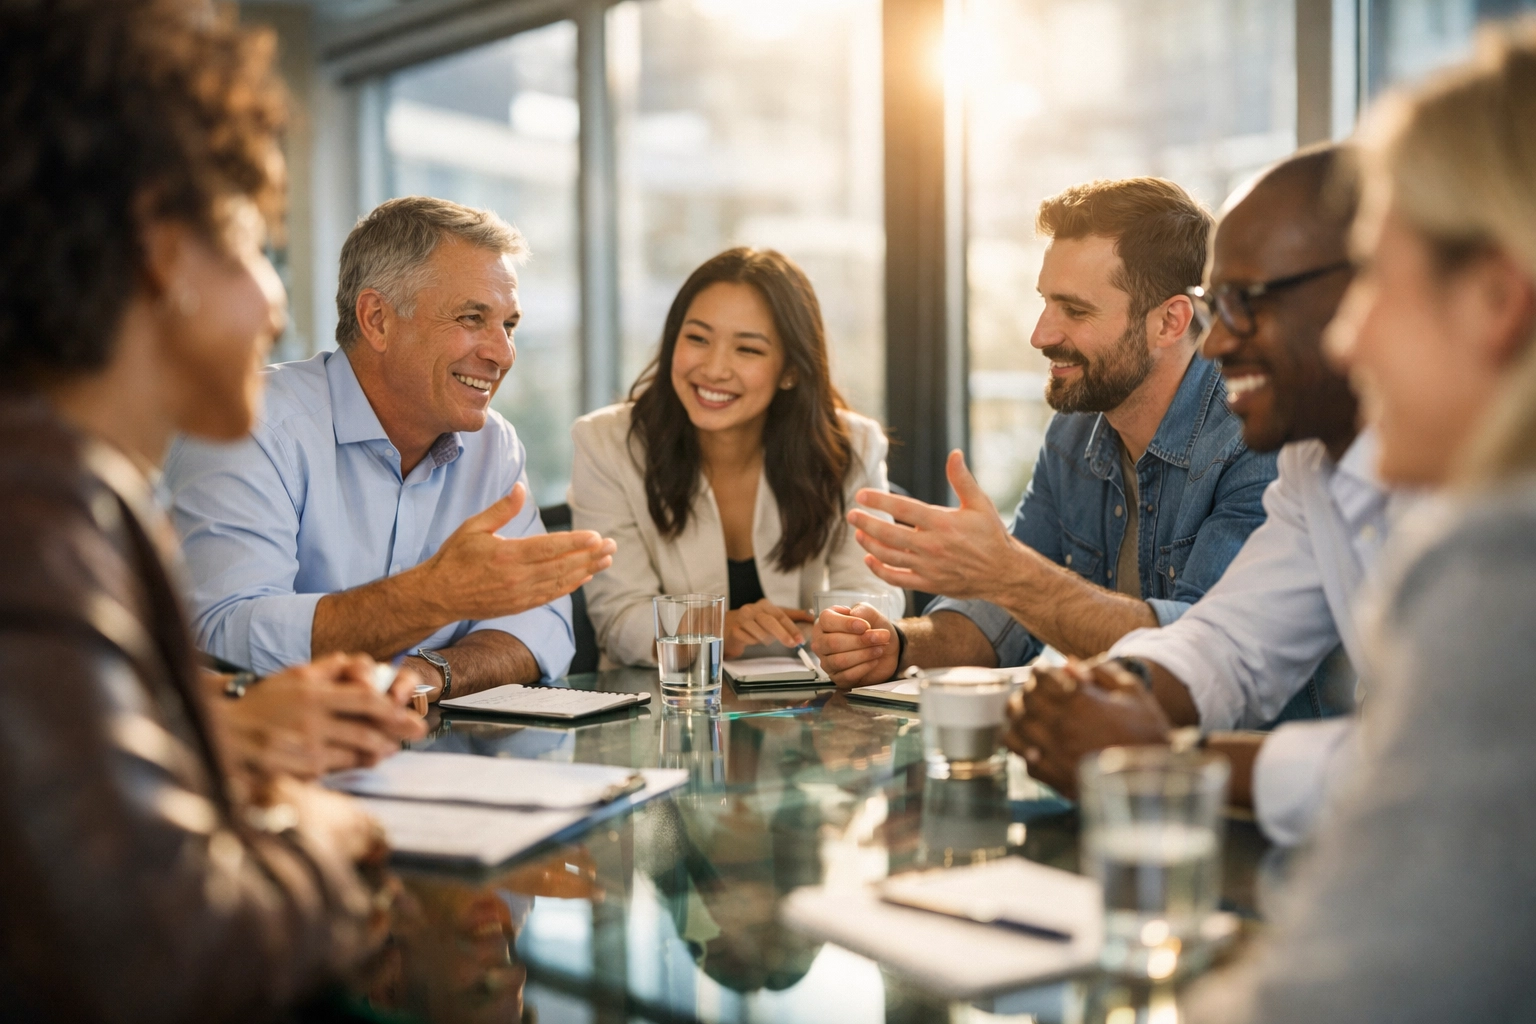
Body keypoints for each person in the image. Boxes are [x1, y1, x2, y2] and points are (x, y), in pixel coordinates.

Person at [0, 0, 421, 1017]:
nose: (273, 300)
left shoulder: (66, 494)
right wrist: (316, 838)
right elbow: (164, 954)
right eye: (254, 244)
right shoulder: (38, 521)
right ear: (160, 248)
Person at [1185, 23, 1536, 1021]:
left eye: (1380, 278)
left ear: (1496, 299)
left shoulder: (1503, 564)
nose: (1354, 332)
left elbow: (1353, 991)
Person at [1007, 145, 1409, 847]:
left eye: (1245, 304)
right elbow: (1229, 641)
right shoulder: (1314, 465)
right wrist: (1112, 695)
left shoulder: (1490, 485)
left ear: (1373, 295)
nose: (1216, 343)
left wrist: (1162, 756)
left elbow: (1435, 770)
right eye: (1216, 307)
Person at [812, 178, 1278, 686]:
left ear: (1169, 322)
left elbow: (1200, 656)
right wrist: (897, 645)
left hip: (1248, 759)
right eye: (1046, 302)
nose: (1040, 335)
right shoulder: (1074, 434)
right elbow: (999, 619)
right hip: (1120, 753)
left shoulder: (1255, 442)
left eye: (1075, 311)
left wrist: (1009, 572)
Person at [166, 196, 617, 699]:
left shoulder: (494, 444)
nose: (503, 353)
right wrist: (433, 596)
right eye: (472, 318)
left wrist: (429, 675)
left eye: (508, 325)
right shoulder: (251, 424)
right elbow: (223, 632)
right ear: (377, 319)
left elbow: (544, 628)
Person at [570, 248, 900, 666]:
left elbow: (874, 592)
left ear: (790, 370)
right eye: (697, 339)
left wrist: (844, 628)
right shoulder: (605, 443)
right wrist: (716, 627)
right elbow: (618, 619)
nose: (714, 369)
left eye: (748, 349)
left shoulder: (852, 444)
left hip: (805, 709)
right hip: (662, 709)